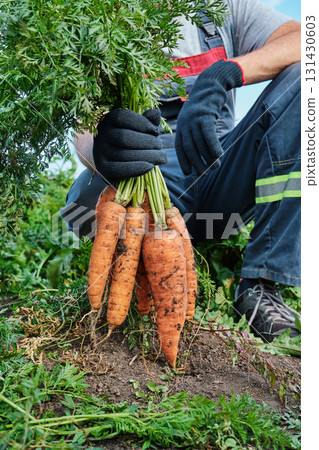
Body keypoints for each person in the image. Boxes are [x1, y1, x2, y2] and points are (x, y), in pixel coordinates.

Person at [61, 0, 301, 343]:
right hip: (141, 179)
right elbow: (82, 122)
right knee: (86, 201)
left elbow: (306, 39)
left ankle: (261, 283)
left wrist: (226, 73)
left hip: (218, 174)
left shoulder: (225, 9)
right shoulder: (103, 17)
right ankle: (124, 277)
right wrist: (100, 152)